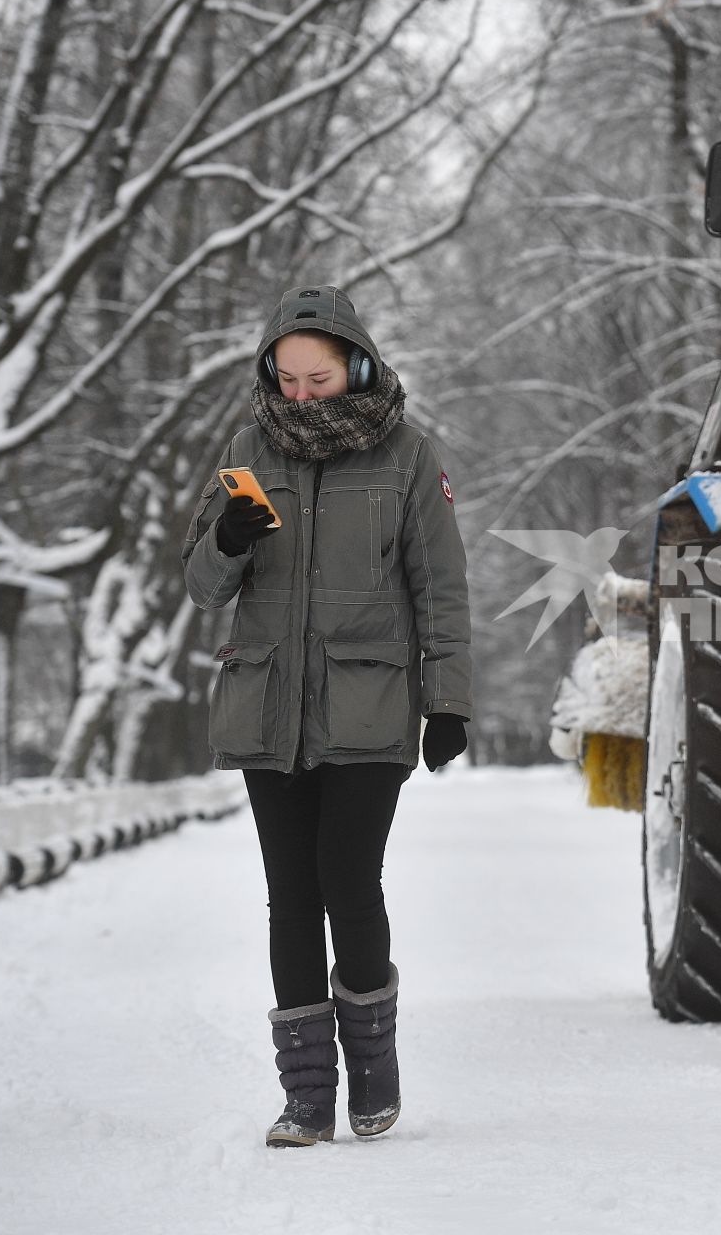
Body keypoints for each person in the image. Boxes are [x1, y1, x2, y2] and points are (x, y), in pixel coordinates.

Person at [180, 284, 473, 1148]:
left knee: (349, 879)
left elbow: (441, 587)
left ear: (357, 366)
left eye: (319, 379)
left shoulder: (407, 456)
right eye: (288, 379)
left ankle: (372, 1068)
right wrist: (229, 537)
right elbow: (201, 585)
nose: (301, 395)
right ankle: (306, 1097)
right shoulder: (246, 449)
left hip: (369, 704)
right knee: (289, 899)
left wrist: (447, 700)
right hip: (267, 708)